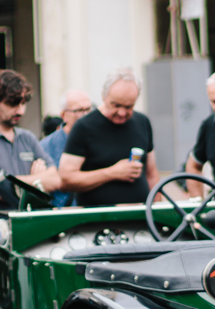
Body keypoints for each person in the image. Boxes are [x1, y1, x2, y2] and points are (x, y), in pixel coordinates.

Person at [0, 68, 60, 231]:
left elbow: (55, 180)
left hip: (32, 227)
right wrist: (37, 181)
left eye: (23, 103)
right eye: (12, 103)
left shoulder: (27, 137)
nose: (21, 111)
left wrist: (10, 184)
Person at [60, 69, 161, 207]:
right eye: (116, 105)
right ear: (103, 95)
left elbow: (152, 174)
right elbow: (67, 179)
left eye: (128, 106)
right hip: (98, 221)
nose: (121, 112)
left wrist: (157, 212)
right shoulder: (84, 127)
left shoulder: (142, 122)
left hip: (139, 217)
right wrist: (112, 173)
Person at [40, 89, 93, 207]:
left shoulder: (100, 139)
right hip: (64, 217)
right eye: (79, 110)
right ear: (64, 115)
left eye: (89, 109)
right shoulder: (46, 146)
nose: (86, 115)